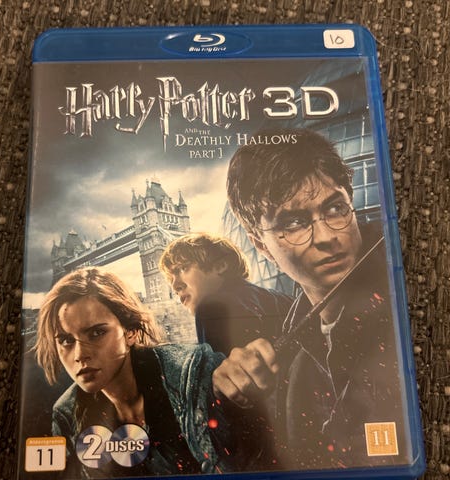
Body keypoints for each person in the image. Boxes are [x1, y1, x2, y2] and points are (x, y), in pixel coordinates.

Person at [213, 128, 408, 470]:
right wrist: (236, 403)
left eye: (335, 208)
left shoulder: (400, 299)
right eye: (294, 223)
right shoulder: (291, 354)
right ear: (260, 245)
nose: (327, 236)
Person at [34, 267, 269, 478]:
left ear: (131, 332)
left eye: (96, 333)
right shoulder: (66, 413)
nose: (79, 354)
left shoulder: (193, 371)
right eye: (65, 340)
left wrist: (245, 374)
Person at [159, 232, 293, 355]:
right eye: (171, 279)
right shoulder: (286, 301)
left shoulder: (211, 308)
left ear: (220, 266)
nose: (175, 286)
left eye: (183, 268)